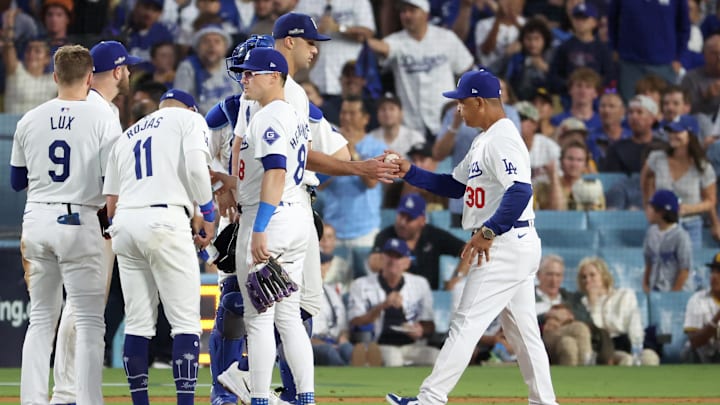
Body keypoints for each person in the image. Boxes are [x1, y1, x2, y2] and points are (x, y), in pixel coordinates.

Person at [386, 69, 558, 405]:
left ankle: (430, 398)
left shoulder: (503, 138)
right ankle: (544, 402)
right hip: (512, 242)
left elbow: (521, 191)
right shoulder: (485, 138)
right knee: (524, 335)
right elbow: (454, 186)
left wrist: (490, 230)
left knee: (466, 322)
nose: (458, 109)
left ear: (479, 101)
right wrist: (411, 171)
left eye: (462, 103)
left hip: (505, 243)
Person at [12, 44, 118, 405]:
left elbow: (15, 180)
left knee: (41, 320)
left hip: (37, 219)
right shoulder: (102, 117)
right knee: (89, 322)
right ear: (90, 78)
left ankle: (32, 401)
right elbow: (113, 179)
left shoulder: (30, 118)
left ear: (55, 76)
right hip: (80, 218)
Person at [214, 47, 317, 405]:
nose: (244, 78)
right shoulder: (291, 114)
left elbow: (274, 171)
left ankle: (258, 398)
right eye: (243, 73)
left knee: (259, 320)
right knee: (288, 317)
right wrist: (226, 181)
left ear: (274, 77)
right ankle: (305, 397)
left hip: (269, 217)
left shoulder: (269, 115)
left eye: (251, 73)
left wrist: (259, 228)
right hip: (294, 216)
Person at [103, 89, 212, 404]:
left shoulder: (126, 136)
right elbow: (195, 168)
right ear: (190, 108)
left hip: (124, 223)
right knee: (186, 323)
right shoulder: (189, 119)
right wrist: (207, 212)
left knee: (137, 322)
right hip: (165, 220)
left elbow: (110, 205)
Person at [49, 39, 140, 405]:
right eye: (127, 66)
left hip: (60, 211)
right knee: (83, 305)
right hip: (91, 216)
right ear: (117, 71)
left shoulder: (78, 105)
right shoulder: (102, 112)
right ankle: (67, 391)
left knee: (76, 304)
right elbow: (110, 176)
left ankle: (66, 389)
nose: (130, 72)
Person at [365, 0, 474, 139]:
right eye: (403, 11)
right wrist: (360, 38)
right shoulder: (397, 40)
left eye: (412, 10)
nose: (407, 15)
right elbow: (385, 48)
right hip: (412, 125)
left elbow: (467, 69)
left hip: (446, 119)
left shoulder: (446, 38)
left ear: (425, 14)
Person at [349, 238, 440, 367]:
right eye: (389, 255)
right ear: (381, 259)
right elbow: (354, 321)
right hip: (380, 344)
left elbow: (429, 324)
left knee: (437, 357)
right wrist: (382, 306)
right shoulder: (361, 284)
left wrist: (421, 329)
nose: (393, 260)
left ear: (407, 263)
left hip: (412, 345)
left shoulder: (420, 284)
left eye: (398, 257)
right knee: (393, 358)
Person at [640, 120, 719, 247]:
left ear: (690, 135)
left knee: (689, 264)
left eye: (678, 132)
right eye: (671, 132)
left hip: (690, 224)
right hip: (660, 223)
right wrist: (648, 203)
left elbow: (710, 201)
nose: (672, 135)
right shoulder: (657, 157)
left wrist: (688, 208)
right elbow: (646, 177)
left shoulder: (703, 167)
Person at [369, 193, 467, 290]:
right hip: (395, 294)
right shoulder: (386, 235)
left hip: (428, 295)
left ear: (422, 220)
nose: (403, 223)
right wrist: (395, 264)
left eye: (409, 218)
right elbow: (373, 263)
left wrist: (457, 277)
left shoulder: (433, 235)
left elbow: (469, 251)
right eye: (401, 216)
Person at [577, 256, 660, 366]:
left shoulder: (625, 295)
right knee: (626, 361)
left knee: (650, 358)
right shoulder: (584, 303)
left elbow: (633, 322)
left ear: (603, 275)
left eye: (592, 275)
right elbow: (599, 331)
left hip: (629, 341)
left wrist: (636, 347)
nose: (588, 280)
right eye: (584, 277)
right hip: (607, 348)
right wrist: (594, 304)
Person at [608, 0, 689, 102]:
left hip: (664, 64)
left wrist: (679, 57)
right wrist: (614, 47)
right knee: (632, 107)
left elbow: (684, 26)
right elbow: (612, 19)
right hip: (630, 63)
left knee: (664, 106)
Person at [535, 255, 597, 366]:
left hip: (562, 341)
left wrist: (569, 315)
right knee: (580, 329)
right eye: (550, 274)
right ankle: (589, 368)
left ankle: (572, 381)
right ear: (538, 275)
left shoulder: (571, 298)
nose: (554, 280)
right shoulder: (529, 297)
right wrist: (547, 316)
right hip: (540, 339)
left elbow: (589, 321)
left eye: (558, 275)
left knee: (568, 344)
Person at [643, 189, 692, 292]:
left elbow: (684, 270)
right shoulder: (651, 232)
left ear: (661, 212)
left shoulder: (681, 236)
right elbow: (648, 263)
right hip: (655, 290)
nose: (647, 211)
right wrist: (645, 285)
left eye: (651, 208)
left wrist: (672, 295)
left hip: (676, 292)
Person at [682, 252, 720, 363]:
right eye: (713, 271)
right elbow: (695, 341)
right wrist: (716, 319)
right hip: (700, 358)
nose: (714, 276)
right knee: (690, 351)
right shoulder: (697, 300)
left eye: (719, 272)